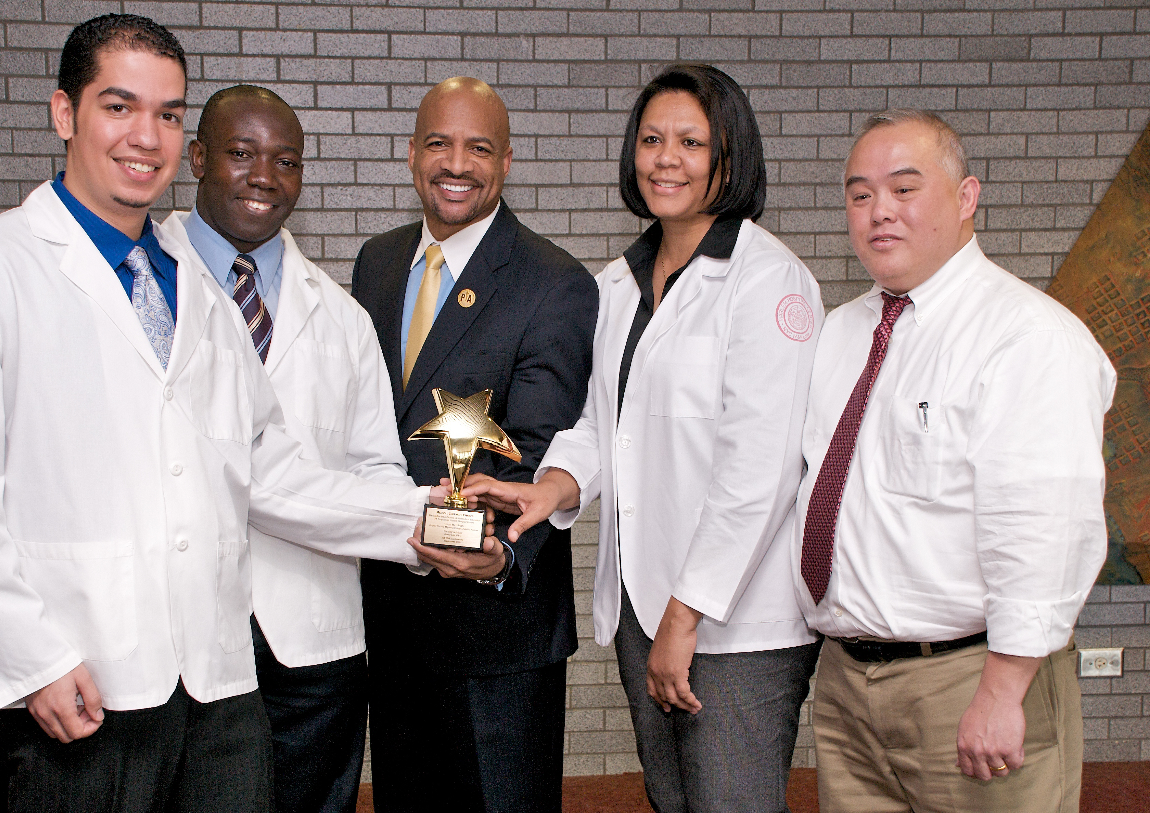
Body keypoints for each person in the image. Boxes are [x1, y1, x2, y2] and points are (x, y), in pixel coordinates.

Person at [0, 16, 470, 813]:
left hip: (219, 686)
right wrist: (29, 658)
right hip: (82, 682)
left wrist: (433, 520)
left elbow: (268, 469)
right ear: (65, 113)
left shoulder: (197, 291)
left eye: (166, 112)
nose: (146, 136)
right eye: (119, 106)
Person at [463, 64, 822, 813]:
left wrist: (684, 616)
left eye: (692, 141)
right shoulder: (617, 284)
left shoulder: (768, 280)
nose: (667, 158)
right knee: (673, 800)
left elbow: (760, 468)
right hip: (642, 604)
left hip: (733, 623)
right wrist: (550, 486)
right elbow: (603, 424)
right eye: (653, 139)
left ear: (731, 156)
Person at [794, 109, 1115, 813]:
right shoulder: (843, 335)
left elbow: (1046, 525)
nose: (880, 211)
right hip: (851, 685)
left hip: (974, 679)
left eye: (905, 189)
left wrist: (1003, 690)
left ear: (966, 197)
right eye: (859, 194)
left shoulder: (1026, 337)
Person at [350, 77, 599, 813]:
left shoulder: (554, 282)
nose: (456, 163)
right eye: (438, 143)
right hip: (393, 615)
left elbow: (538, 448)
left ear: (508, 161)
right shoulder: (379, 262)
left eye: (478, 148)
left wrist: (499, 556)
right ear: (410, 154)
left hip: (497, 627)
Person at [159, 84, 408, 813]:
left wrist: (440, 526)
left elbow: (379, 470)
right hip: (183, 640)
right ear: (198, 157)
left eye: (286, 160)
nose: (264, 175)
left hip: (313, 645)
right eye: (240, 153)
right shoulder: (145, 287)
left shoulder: (342, 318)